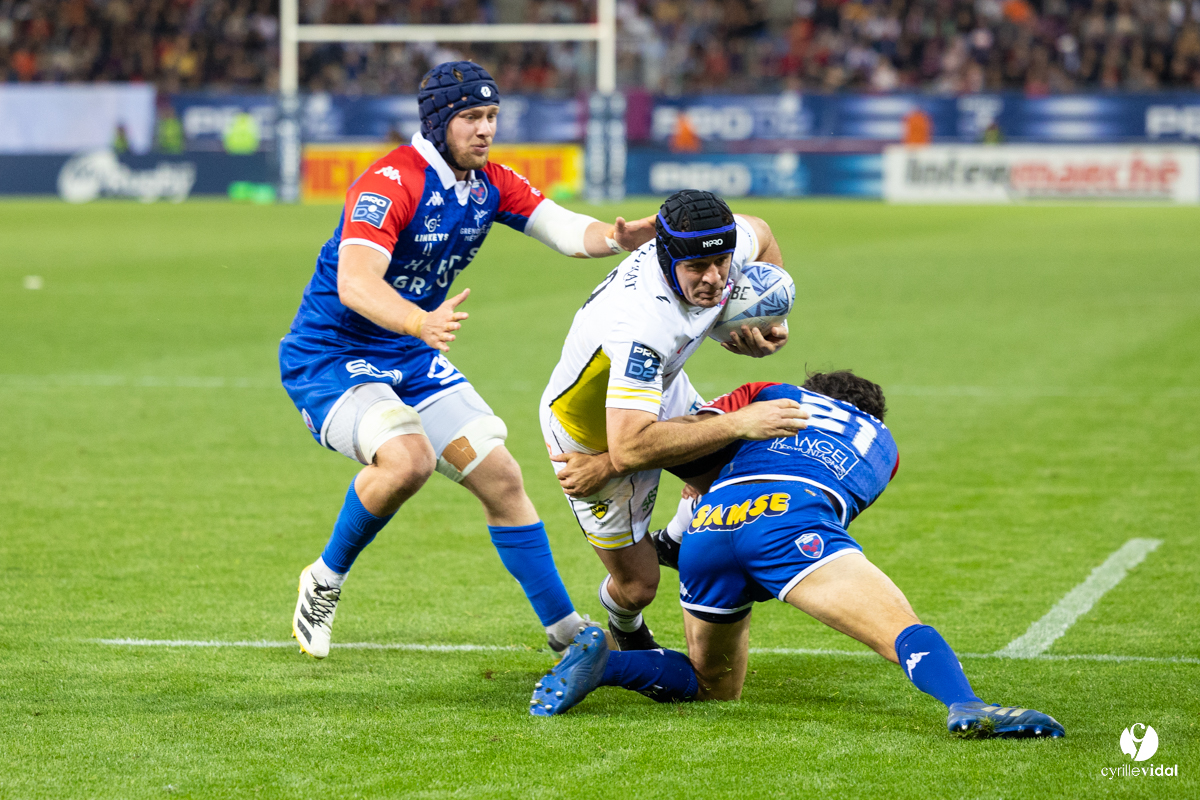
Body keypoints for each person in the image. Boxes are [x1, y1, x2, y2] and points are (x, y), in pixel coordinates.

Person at [280, 61, 658, 659]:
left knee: (503, 478)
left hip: (409, 354)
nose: (485, 130)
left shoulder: (489, 184)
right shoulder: (390, 182)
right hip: (333, 357)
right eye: (471, 118)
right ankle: (324, 580)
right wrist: (416, 320)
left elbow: (563, 230)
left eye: (491, 117)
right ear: (437, 123)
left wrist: (617, 238)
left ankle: (567, 635)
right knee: (407, 460)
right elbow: (354, 283)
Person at [530, 371, 1066, 740]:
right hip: (791, 522)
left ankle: (608, 665)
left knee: (713, 685)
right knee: (899, 628)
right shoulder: (884, 445)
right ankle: (965, 703)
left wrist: (610, 469)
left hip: (711, 527)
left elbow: (689, 436)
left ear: (811, 392)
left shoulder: (774, 392)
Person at [540, 188, 806, 651]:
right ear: (666, 260)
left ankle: (676, 540)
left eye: (721, 262)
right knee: (639, 586)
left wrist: (769, 314)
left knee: (741, 480)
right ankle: (624, 627)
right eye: (696, 269)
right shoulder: (641, 326)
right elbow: (629, 449)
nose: (714, 279)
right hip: (587, 431)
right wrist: (739, 422)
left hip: (656, 390)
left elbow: (760, 233)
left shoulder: (714, 246)